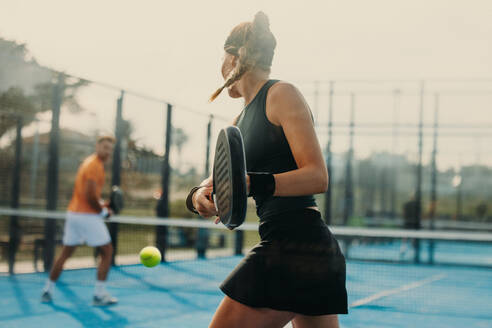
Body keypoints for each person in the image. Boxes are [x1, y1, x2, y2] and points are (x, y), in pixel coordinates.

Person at [188, 12, 347, 328]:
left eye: (223, 58)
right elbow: (216, 182)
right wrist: (198, 198)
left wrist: (250, 183)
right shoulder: (238, 122)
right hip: (303, 249)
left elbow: (317, 176)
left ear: (236, 57)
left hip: (294, 245)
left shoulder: (281, 94)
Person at [41, 136, 118, 306]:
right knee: (107, 251)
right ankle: (99, 295)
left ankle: (47, 290)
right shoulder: (94, 165)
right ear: (97, 146)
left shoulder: (89, 163)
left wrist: (102, 204)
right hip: (87, 217)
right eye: (105, 147)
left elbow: (89, 196)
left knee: (65, 253)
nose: (107, 151)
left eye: (110, 149)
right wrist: (104, 212)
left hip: (74, 214)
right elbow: (89, 196)